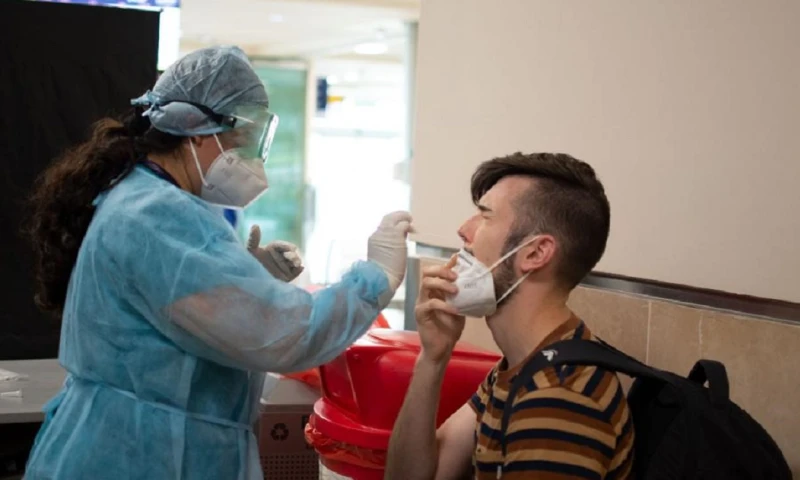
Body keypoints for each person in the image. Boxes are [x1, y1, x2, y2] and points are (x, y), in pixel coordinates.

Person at [23, 46, 412, 480]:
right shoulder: (156, 216)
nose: (251, 162)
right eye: (241, 143)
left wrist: (249, 278)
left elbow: (175, 312)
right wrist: (376, 277)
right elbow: (284, 335)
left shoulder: (143, 199)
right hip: (143, 456)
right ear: (198, 131)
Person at [386, 153, 633, 479]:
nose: (463, 230)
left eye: (485, 217)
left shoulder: (557, 400)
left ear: (535, 253)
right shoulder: (524, 367)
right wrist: (432, 358)